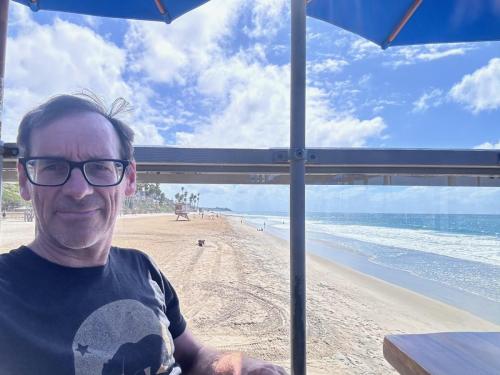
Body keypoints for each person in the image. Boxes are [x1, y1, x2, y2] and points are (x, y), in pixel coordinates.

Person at [0, 94, 287, 375]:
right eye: (53, 167)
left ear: (130, 179)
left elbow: (193, 355)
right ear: (25, 180)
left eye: (99, 167)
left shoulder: (143, 269)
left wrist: (237, 366)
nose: (78, 190)